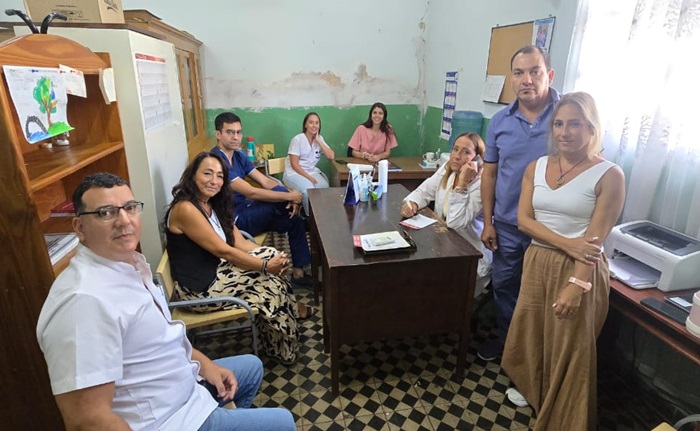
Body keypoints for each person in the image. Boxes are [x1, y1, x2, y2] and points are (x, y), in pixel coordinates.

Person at [36, 172, 295, 431]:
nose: (124, 220)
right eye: (106, 213)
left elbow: (162, 337)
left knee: (251, 368)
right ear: (80, 228)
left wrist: (205, 365)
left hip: (181, 387)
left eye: (129, 208)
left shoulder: (127, 265)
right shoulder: (82, 302)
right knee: (282, 423)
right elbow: (87, 420)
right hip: (170, 419)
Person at [501, 92, 625, 429]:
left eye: (574, 124)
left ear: (592, 128)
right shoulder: (537, 167)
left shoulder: (609, 175)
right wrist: (567, 243)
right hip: (538, 260)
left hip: (579, 270)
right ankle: (537, 394)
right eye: (558, 124)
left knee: (570, 346)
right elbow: (524, 221)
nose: (564, 132)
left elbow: (593, 242)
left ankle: (565, 418)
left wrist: (576, 285)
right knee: (534, 332)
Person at [165, 152, 315, 365]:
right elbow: (224, 251)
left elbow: (240, 243)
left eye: (219, 176)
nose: (214, 181)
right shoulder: (186, 209)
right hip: (199, 288)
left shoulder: (213, 203)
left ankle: (280, 342)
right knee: (271, 286)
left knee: (271, 275)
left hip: (217, 272)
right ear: (193, 175)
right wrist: (265, 265)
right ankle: (283, 344)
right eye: (207, 173)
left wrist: (273, 257)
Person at [479, 45, 561, 361]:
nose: (526, 79)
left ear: (549, 75)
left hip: (551, 228)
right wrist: (488, 222)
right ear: (511, 78)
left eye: (534, 71)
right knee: (504, 286)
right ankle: (510, 346)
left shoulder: (566, 116)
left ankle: (538, 355)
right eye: (518, 73)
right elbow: (490, 175)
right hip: (508, 224)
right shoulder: (499, 121)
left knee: (544, 292)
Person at [211, 111, 313, 289]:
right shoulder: (217, 161)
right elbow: (252, 192)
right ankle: (309, 223)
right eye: (230, 132)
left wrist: (289, 194)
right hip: (234, 220)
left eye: (239, 132)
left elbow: (265, 181)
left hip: (249, 209)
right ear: (218, 134)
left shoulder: (238, 155)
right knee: (279, 205)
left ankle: (298, 274)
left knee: (294, 221)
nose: (236, 137)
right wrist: (289, 197)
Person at [400, 132, 492, 295]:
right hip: (443, 246)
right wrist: (412, 203)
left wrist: (462, 183)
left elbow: (455, 222)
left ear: (478, 158)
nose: (457, 156)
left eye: (466, 152)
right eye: (455, 149)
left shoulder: (482, 184)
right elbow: (424, 191)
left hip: (470, 257)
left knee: (429, 287)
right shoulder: (447, 168)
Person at [283, 112, 335, 215]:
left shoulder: (320, 139)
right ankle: (309, 218)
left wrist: (318, 141)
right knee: (308, 190)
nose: (314, 125)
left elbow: (331, 156)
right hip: (293, 173)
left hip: (311, 171)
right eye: (311, 122)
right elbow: (294, 164)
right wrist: (308, 177)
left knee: (324, 186)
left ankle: (321, 215)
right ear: (305, 125)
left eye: (317, 123)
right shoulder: (297, 139)